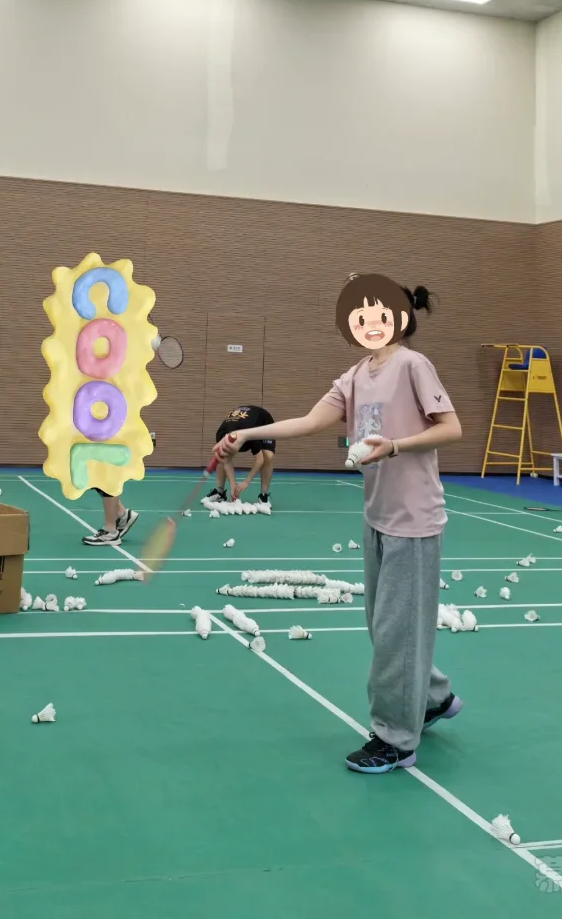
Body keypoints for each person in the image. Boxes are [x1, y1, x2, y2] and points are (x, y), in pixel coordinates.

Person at [215, 273, 463, 773]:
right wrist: (247, 435)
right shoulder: (354, 377)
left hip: (414, 520)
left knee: (395, 633)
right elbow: (309, 422)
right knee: (384, 627)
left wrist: (395, 446)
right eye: (358, 316)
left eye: (377, 314)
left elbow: (451, 428)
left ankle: (396, 739)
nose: (368, 323)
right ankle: (433, 697)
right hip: (377, 515)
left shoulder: (413, 365)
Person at [205, 405, 275, 507]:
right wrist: (233, 486)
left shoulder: (250, 435)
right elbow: (226, 460)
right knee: (221, 456)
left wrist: (247, 481)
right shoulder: (221, 434)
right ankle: (220, 493)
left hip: (264, 421)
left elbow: (260, 459)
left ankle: (263, 495)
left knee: (268, 456)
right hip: (241, 421)